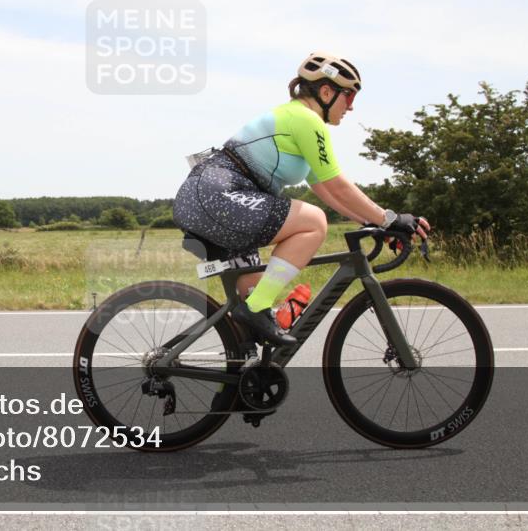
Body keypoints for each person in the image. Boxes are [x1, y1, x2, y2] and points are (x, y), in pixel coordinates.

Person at [173, 52, 430, 346]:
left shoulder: (296, 121)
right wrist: (390, 218)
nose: (352, 107)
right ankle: (255, 309)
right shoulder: (305, 119)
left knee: (248, 335)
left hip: (212, 200)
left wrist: (374, 224)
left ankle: (239, 382)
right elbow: (339, 185)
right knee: (313, 222)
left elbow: (327, 190)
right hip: (216, 197)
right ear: (326, 91)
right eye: (349, 97)